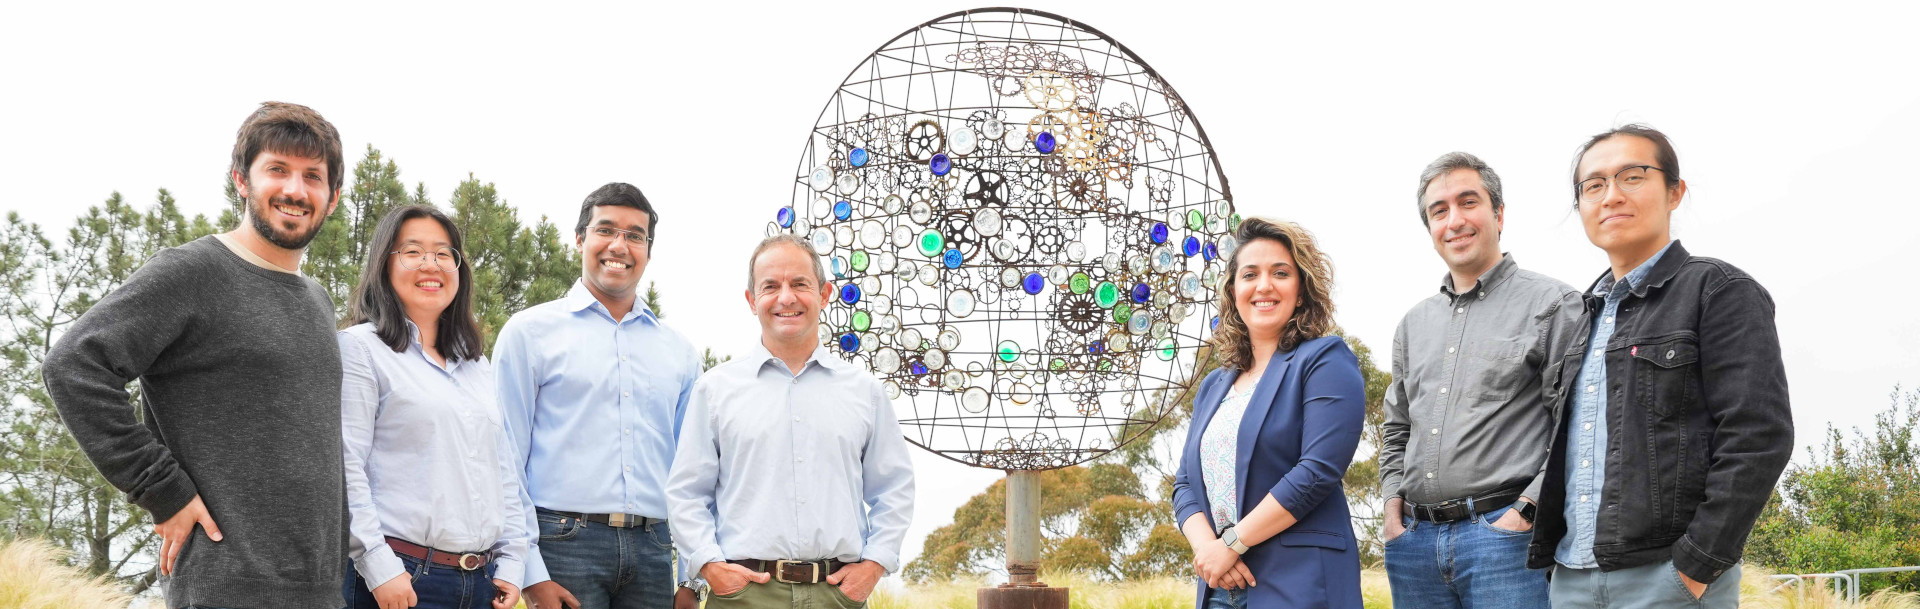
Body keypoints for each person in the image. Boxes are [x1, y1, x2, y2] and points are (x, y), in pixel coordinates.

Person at [41, 101, 348, 609]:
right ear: (241, 181)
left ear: (332, 198)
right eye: (278, 169)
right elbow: (74, 366)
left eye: (312, 176)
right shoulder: (193, 272)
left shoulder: (316, 299)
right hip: (225, 588)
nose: (296, 190)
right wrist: (162, 490)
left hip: (318, 591)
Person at [1528, 124, 1794, 608]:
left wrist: (1695, 567)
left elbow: (1759, 435)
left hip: (1668, 578)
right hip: (1570, 580)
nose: (1611, 196)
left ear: (1675, 192)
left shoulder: (1718, 290)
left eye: (1632, 176)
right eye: (1593, 185)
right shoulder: (1577, 316)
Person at [664, 234, 914, 608]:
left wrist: (875, 564)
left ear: (825, 294)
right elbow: (686, 494)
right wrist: (710, 565)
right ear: (751, 301)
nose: (786, 297)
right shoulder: (715, 390)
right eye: (770, 286)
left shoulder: (865, 392)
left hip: (838, 595)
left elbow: (894, 489)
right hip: (743, 596)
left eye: (800, 284)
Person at [1379, 152, 1581, 608]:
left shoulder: (1554, 304)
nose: (1455, 220)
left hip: (1505, 543)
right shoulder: (1412, 325)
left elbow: (1575, 427)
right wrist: (1393, 513)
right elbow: (1396, 430)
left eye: (1468, 202)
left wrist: (1526, 511)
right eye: (1439, 210)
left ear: (1499, 213)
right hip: (1413, 549)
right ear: (1430, 228)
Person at [493, 183, 703, 609]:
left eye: (635, 235)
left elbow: (692, 473)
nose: (619, 245)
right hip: (564, 544)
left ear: (648, 249)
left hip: (654, 549)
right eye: (605, 230)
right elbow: (503, 456)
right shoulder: (530, 333)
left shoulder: (679, 351)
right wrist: (532, 573)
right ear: (580, 239)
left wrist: (691, 577)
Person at [337, 206, 528, 609]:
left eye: (444, 254)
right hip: (401, 578)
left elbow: (503, 471)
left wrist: (513, 559)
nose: (431, 264)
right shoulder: (360, 349)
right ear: (383, 265)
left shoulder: (477, 365)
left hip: (481, 582)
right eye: (413, 251)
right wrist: (378, 565)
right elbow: (343, 465)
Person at [1170, 218, 1366, 609]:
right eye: (1250, 274)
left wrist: (1232, 543)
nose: (1264, 286)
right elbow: (1185, 485)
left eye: (1280, 273)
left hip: (1299, 581)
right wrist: (1211, 550)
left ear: (1302, 288)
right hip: (1219, 586)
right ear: (1233, 290)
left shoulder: (1324, 360)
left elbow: (1316, 471)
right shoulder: (1213, 385)